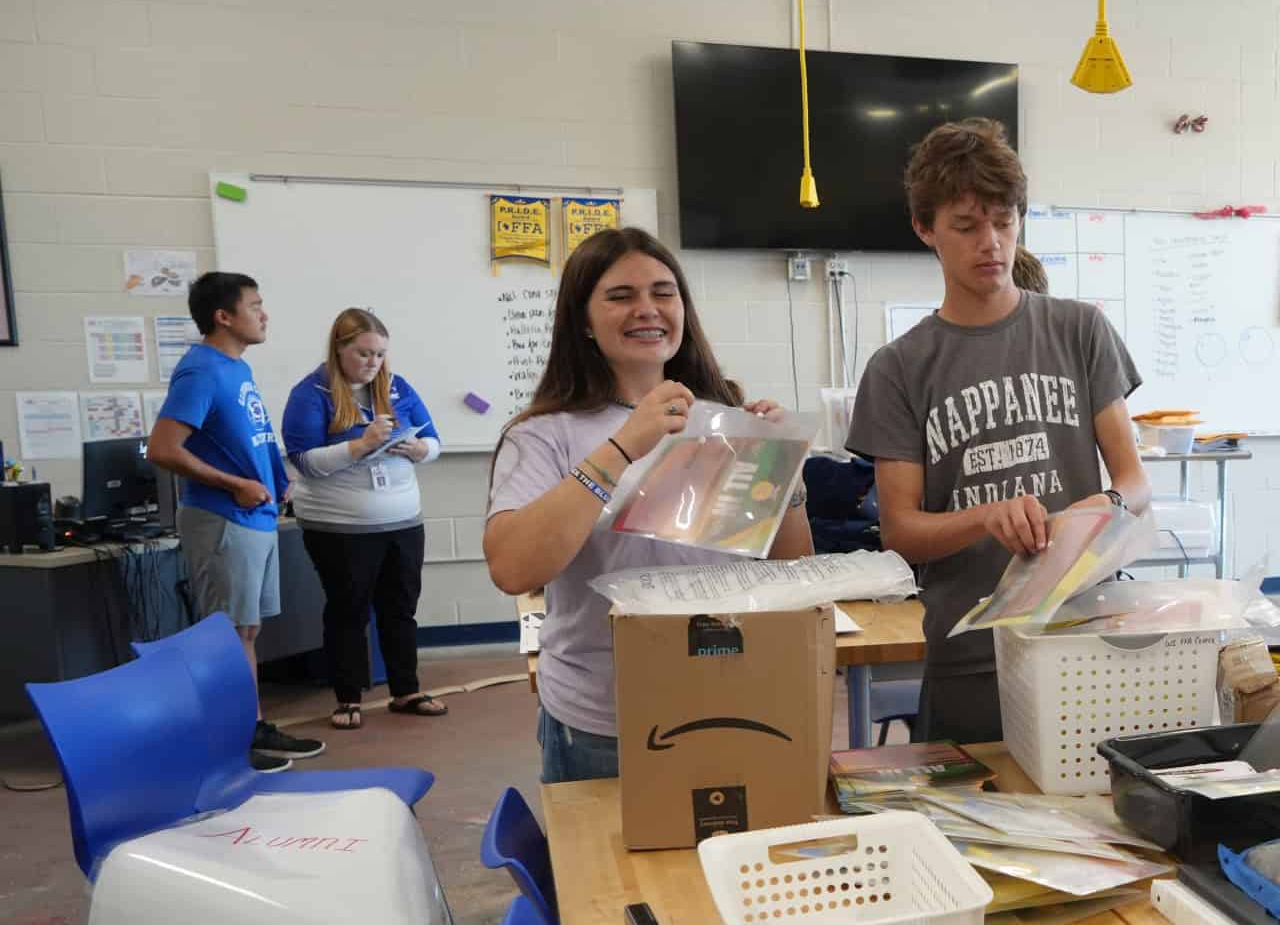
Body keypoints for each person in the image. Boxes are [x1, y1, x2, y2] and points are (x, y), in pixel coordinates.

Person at [850, 118, 1150, 746]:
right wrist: (985, 517)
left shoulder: (1080, 331)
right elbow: (901, 531)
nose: (991, 242)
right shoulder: (898, 368)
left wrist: (1110, 503)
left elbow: (1134, 481)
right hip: (968, 652)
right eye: (965, 226)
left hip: (1079, 635)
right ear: (925, 229)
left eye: (1005, 221)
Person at [484, 227, 811, 784]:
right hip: (605, 721)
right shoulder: (544, 434)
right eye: (620, 296)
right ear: (582, 320)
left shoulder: (721, 416)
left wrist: (786, 474)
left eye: (664, 292)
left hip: (733, 698)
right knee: (618, 872)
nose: (647, 310)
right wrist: (623, 446)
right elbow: (514, 569)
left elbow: (793, 569)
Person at [148, 271, 325, 774]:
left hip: (256, 516)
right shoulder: (202, 370)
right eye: (255, 305)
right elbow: (164, 449)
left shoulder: (237, 370)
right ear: (223, 316)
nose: (264, 313)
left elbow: (248, 435)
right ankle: (229, 745)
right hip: (222, 516)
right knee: (227, 634)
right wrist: (235, 485)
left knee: (245, 632)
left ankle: (251, 727)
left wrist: (273, 477)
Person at [280, 308, 444, 731]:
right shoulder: (311, 393)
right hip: (339, 526)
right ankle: (348, 697)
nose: (373, 364)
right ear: (339, 350)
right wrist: (358, 446)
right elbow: (304, 462)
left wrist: (420, 450)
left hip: (403, 519)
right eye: (364, 354)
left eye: (380, 355)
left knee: (401, 606)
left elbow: (433, 439)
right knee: (349, 609)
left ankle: (405, 690)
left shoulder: (396, 385)